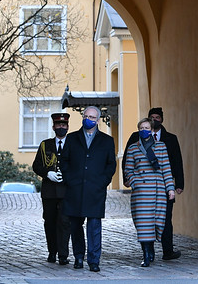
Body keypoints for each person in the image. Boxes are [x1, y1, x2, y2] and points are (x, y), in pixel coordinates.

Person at [59, 106, 116, 272]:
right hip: (75, 189)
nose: (88, 119)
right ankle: (78, 257)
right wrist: (69, 178)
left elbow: (111, 164)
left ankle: (93, 260)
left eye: (92, 117)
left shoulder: (106, 140)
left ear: (97, 120)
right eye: (86, 116)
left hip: (95, 190)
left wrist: (103, 181)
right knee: (75, 225)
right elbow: (65, 161)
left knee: (94, 227)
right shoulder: (72, 138)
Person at [122, 107, 184, 260]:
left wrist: (174, 186)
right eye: (142, 128)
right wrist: (133, 181)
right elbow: (127, 165)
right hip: (142, 191)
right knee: (143, 223)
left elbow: (171, 166)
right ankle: (148, 253)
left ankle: (166, 250)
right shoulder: (133, 144)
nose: (144, 130)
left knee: (162, 220)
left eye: (147, 128)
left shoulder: (164, 143)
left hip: (159, 190)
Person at [32, 111, 72, 265]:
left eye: (63, 125)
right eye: (58, 125)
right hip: (49, 191)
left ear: (67, 127)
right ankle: (52, 252)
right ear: (53, 127)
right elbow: (36, 166)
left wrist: (67, 176)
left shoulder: (73, 144)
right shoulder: (45, 144)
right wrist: (46, 173)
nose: (61, 127)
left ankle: (63, 254)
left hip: (66, 190)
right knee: (49, 222)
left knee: (64, 222)